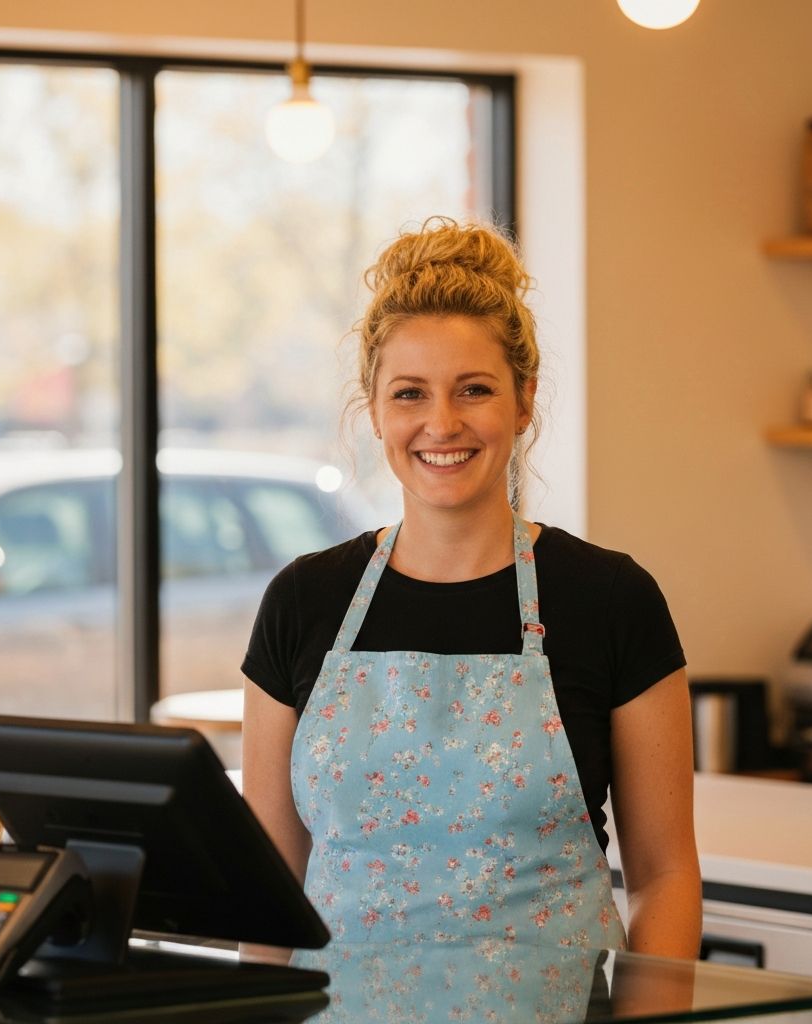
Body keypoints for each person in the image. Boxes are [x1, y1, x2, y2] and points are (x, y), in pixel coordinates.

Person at [241, 217, 701, 957]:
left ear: (524, 400)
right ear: (375, 410)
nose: (441, 424)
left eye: (474, 389)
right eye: (410, 394)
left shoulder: (612, 599)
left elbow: (666, 875)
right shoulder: (302, 602)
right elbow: (265, 888)